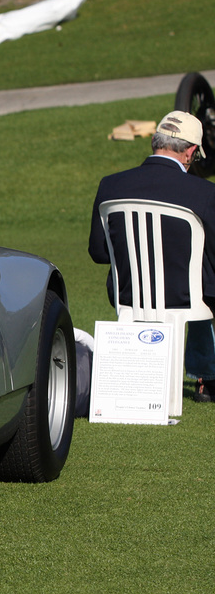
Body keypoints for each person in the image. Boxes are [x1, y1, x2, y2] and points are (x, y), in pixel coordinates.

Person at [88, 110, 215, 402]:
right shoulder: (205, 193)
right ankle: (206, 378)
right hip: (188, 297)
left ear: (155, 143)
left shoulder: (111, 185)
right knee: (208, 280)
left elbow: (98, 252)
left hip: (130, 294)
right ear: (190, 152)